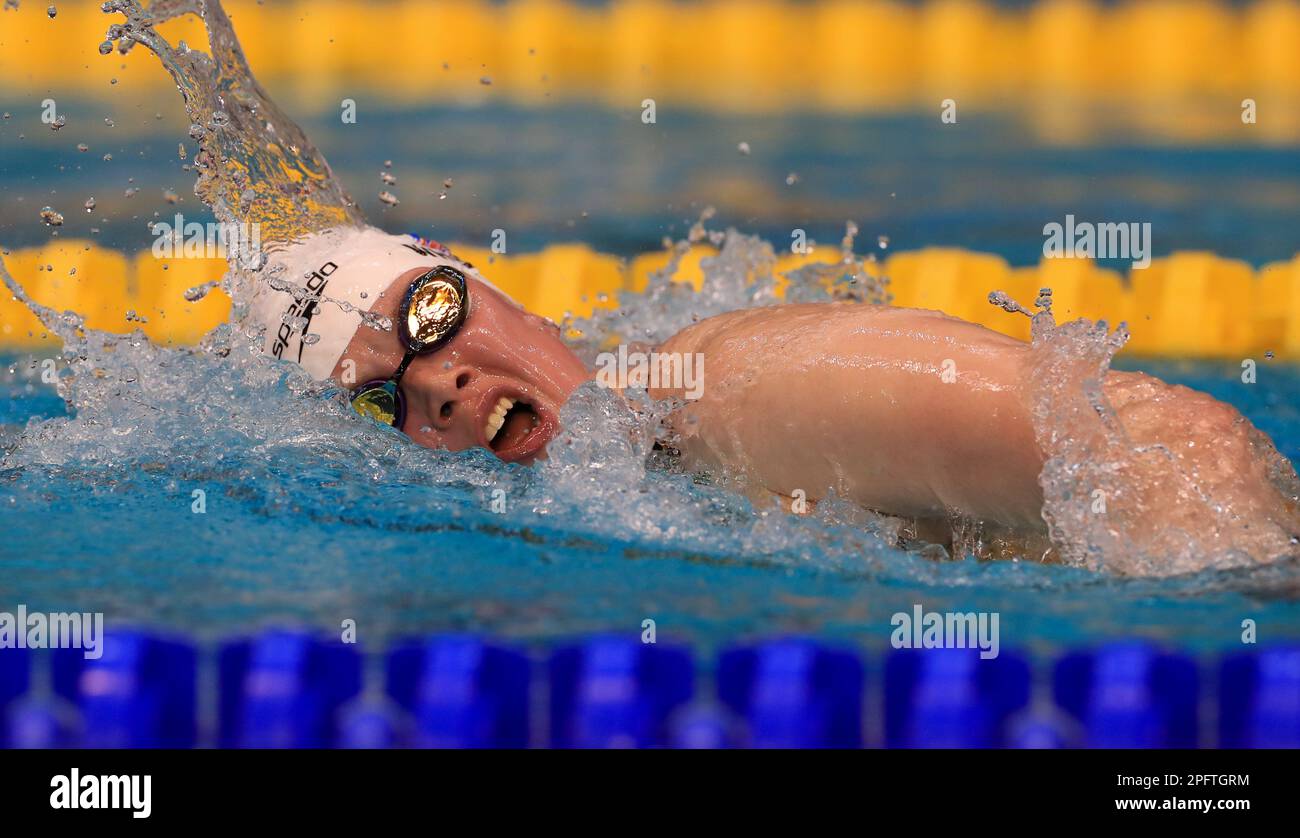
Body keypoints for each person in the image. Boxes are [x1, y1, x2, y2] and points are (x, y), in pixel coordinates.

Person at [251, 225, 1300, 565]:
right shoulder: (652, 466)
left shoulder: (727, 392)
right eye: (381, 402)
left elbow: (1177, 443)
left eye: (431, 320)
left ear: (478, 275)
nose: (438, 385)